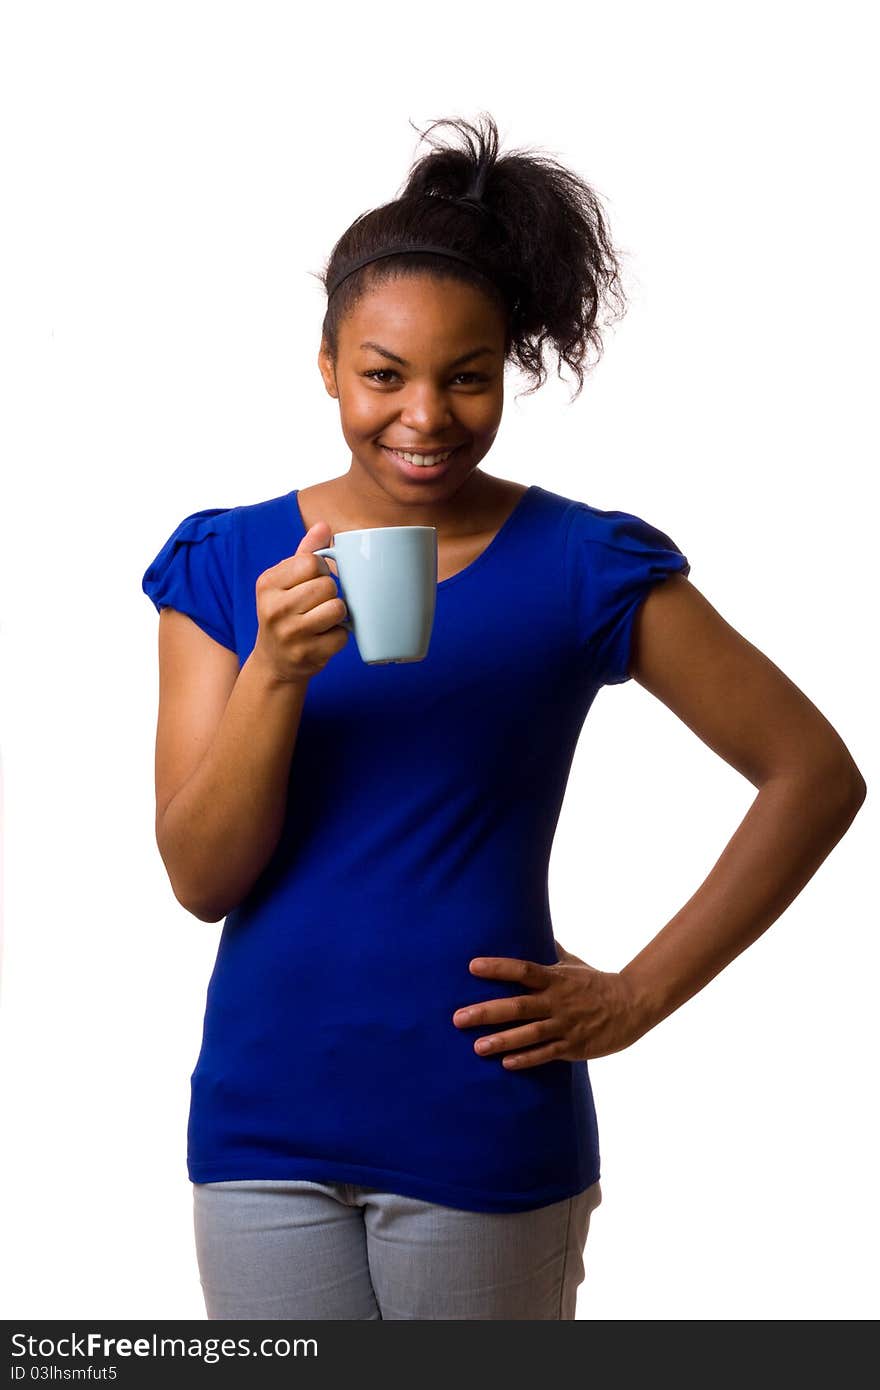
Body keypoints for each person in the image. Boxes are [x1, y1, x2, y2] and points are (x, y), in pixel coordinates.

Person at [141, 113, 866, 1321]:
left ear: (504, 370)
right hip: (260, 1128)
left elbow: (812, 772)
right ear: (326, 364)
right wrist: (274, 670)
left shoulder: (583, 562)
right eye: (382, 374)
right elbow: (201, 877)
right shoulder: (226, 564)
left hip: (481, 1124)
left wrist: (637, 994)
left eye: (465, 377)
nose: (423, 415)